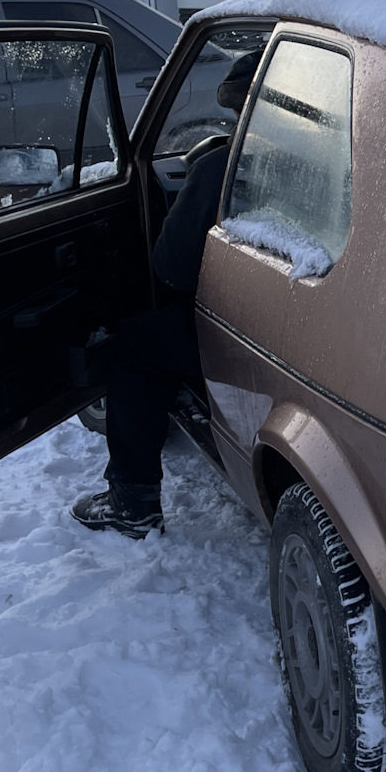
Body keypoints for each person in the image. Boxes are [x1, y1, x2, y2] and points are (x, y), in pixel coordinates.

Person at [72, 50, 259, 538]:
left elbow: (172, 269)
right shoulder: (342, 159)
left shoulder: (222, 167)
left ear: (242, 110)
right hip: (308, 333)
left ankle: (131, 502)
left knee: (133, 347)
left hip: (249, 333)